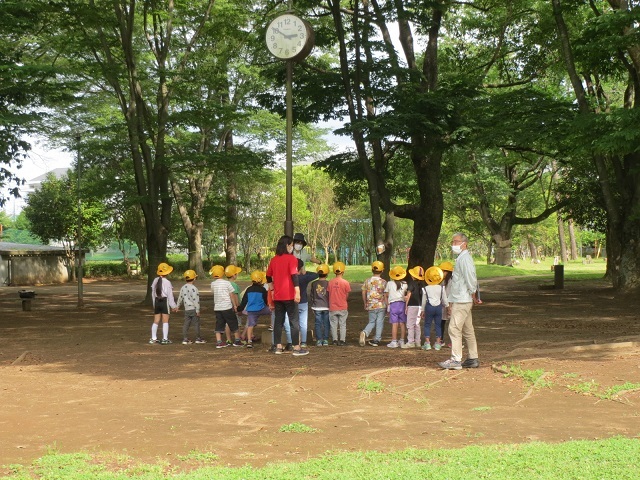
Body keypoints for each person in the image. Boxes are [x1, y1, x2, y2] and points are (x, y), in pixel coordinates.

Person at [439, 233, 480, 370]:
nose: (453, 244)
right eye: (453, 241)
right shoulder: (461, 258)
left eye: (456, 241)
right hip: (462, 298)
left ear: (464, 243)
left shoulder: (465, 259)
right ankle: (473, 358)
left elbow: (471, 278)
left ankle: (456, 359)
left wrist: (473, 293)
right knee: (468, 330)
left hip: (463, 299)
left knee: (454, 328)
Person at [266, 235, 308, 356]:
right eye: (290, 245)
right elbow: (294, 276)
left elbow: (268, 276)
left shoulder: (274, 260)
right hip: (290, 295)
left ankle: (278, 346)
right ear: (287, 246)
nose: (292, 247)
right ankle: (296, 347)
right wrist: (298, 292)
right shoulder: (292, 259)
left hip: (278, 296)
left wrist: (272, 288)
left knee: (278, 321)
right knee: (294, 321)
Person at [210, 264, 242, 348]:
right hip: (227, 307)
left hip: (217, 308)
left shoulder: (213, 284)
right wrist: (235, 305)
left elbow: (214, 292)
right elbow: (231, 295)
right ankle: (237, 341)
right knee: (233, 323)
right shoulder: (227, 283)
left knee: (219, 324)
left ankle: (219, 342)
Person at [237, 270, 270, 348]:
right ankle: (273, 326)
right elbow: (266, 301)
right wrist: (269, 305)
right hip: (262, 309)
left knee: (250, 325)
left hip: (251, 311)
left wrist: (239, 309)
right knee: (273, 311)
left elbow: (244, 301)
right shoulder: (263, 290)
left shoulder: (248, 289)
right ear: (261, 280)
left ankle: (249, 341)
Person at [359, 260, 387, 347]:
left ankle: (365, 332)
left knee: (371, 321)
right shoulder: (384, 282)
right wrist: (387, 304)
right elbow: (386, 294)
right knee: (379, 322)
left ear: (372, 270)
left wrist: (365, 303)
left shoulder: (367, 281)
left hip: (370, 305)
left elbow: (363, 292)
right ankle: (377, 339)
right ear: (382, 270)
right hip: (381, 305)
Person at [175, 269, 206, 345]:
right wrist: (198, 310)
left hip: (187, 309)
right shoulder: (194, 288)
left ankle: (185, 339)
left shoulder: (183, 288)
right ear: (194, 278)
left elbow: (180, 298)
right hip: (193, 309)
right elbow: (196, 300)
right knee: (196, 324)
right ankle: (198, 338)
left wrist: (177, 306)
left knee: (186, 324)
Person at [421, 266, 448, 351]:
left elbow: (423, 300)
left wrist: (422, 310)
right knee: (438, 325)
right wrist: (447, 307)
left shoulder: (426, 288)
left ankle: (427, 343)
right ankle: (437, 343)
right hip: (439, 307)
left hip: (429, 307)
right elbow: (444, 299)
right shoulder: (441, 288)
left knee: (427, 324)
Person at [150, 262, 177, 345]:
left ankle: (153, 338)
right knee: (165, 321)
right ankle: (165, 338)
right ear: (167, 272)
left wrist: (154, 303)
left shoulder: (155, 280)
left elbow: (152, 293)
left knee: (156, 320)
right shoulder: (167, 282)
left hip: (157, 301)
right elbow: (170, 296)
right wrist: (174, 306)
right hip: (164, 301)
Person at [296, 259, 319, 348]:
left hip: (292, 302)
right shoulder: (304, 277)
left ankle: (295, 341)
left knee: (294, 323)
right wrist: (305, 272)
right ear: (301, 268)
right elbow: (316, 275)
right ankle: (303, 342)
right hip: (303, 302)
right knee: (303, 323)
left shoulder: (290, 277)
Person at [328, 261, 351, 345]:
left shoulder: (330, 282)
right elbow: (347, 294)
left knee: (333, 324)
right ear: (343, 271)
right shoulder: (345, 282)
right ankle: (342, 340)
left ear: (334, 271)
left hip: (332, 307)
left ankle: (334, 340)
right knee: (342, 324)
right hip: (343, 307)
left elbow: (329, 293)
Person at [385, 266, 408, 348]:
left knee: (394, 324)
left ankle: (394, 341)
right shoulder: (405, 284)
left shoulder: (389, 283)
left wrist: (387, 305)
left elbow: (386, 295)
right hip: (402, 304)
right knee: (402, 323)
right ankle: (402, 340)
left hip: (393, 305)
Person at [403, 266, 425, 349]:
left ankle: (410, 342)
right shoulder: (422, 285)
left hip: (412, 305)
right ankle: (418, 341)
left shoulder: (411, 284)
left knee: (410, 324)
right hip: (419, 306)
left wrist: (406, 306)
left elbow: (408, 295)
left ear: (413, 276)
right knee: (417, 324)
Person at [309, 264, 331, 347]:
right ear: (327, 273)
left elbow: (312, 295)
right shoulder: (328, 283)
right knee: (326, 323)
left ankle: (319, 340)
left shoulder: (314, 283)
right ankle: (325, 340)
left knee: (318, 323)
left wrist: (312, 304)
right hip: (326, 306)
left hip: (316, 306)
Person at [225, 264, 243, 346]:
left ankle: (228, 340)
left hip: (227, 307)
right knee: (237, 324)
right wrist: (238, 307)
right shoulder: (234, 285)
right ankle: (237, 339)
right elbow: (235, 296)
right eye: (236, 273)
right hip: (234, 307)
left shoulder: (225, 284)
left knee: (228, 323)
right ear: (233, 275)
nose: (237, 274)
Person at [438, 261, 455, 347]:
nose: (442, 273)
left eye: (443, 271)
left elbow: (449, 294)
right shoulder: (441, 281)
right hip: (443, 304)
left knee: (452, 324)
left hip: (449, 304)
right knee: (441, 323)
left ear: (448, 272)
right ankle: (440, 340)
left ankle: (453, 342)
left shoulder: (451, 281)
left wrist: (449, 306)